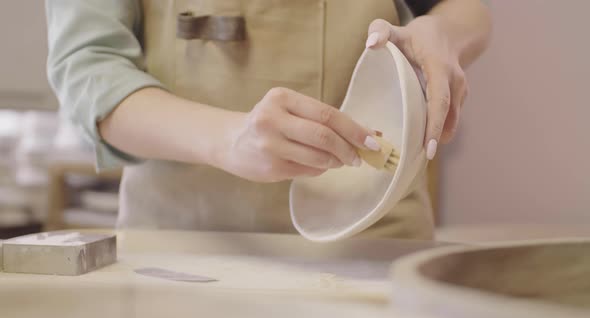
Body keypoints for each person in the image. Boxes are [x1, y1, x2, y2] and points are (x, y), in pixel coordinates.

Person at [45, 0, 491, 238]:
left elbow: (466, 8)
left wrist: (443, 35)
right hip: (186, 251)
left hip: (373, 246)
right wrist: (228, 139)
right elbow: (88, 65)